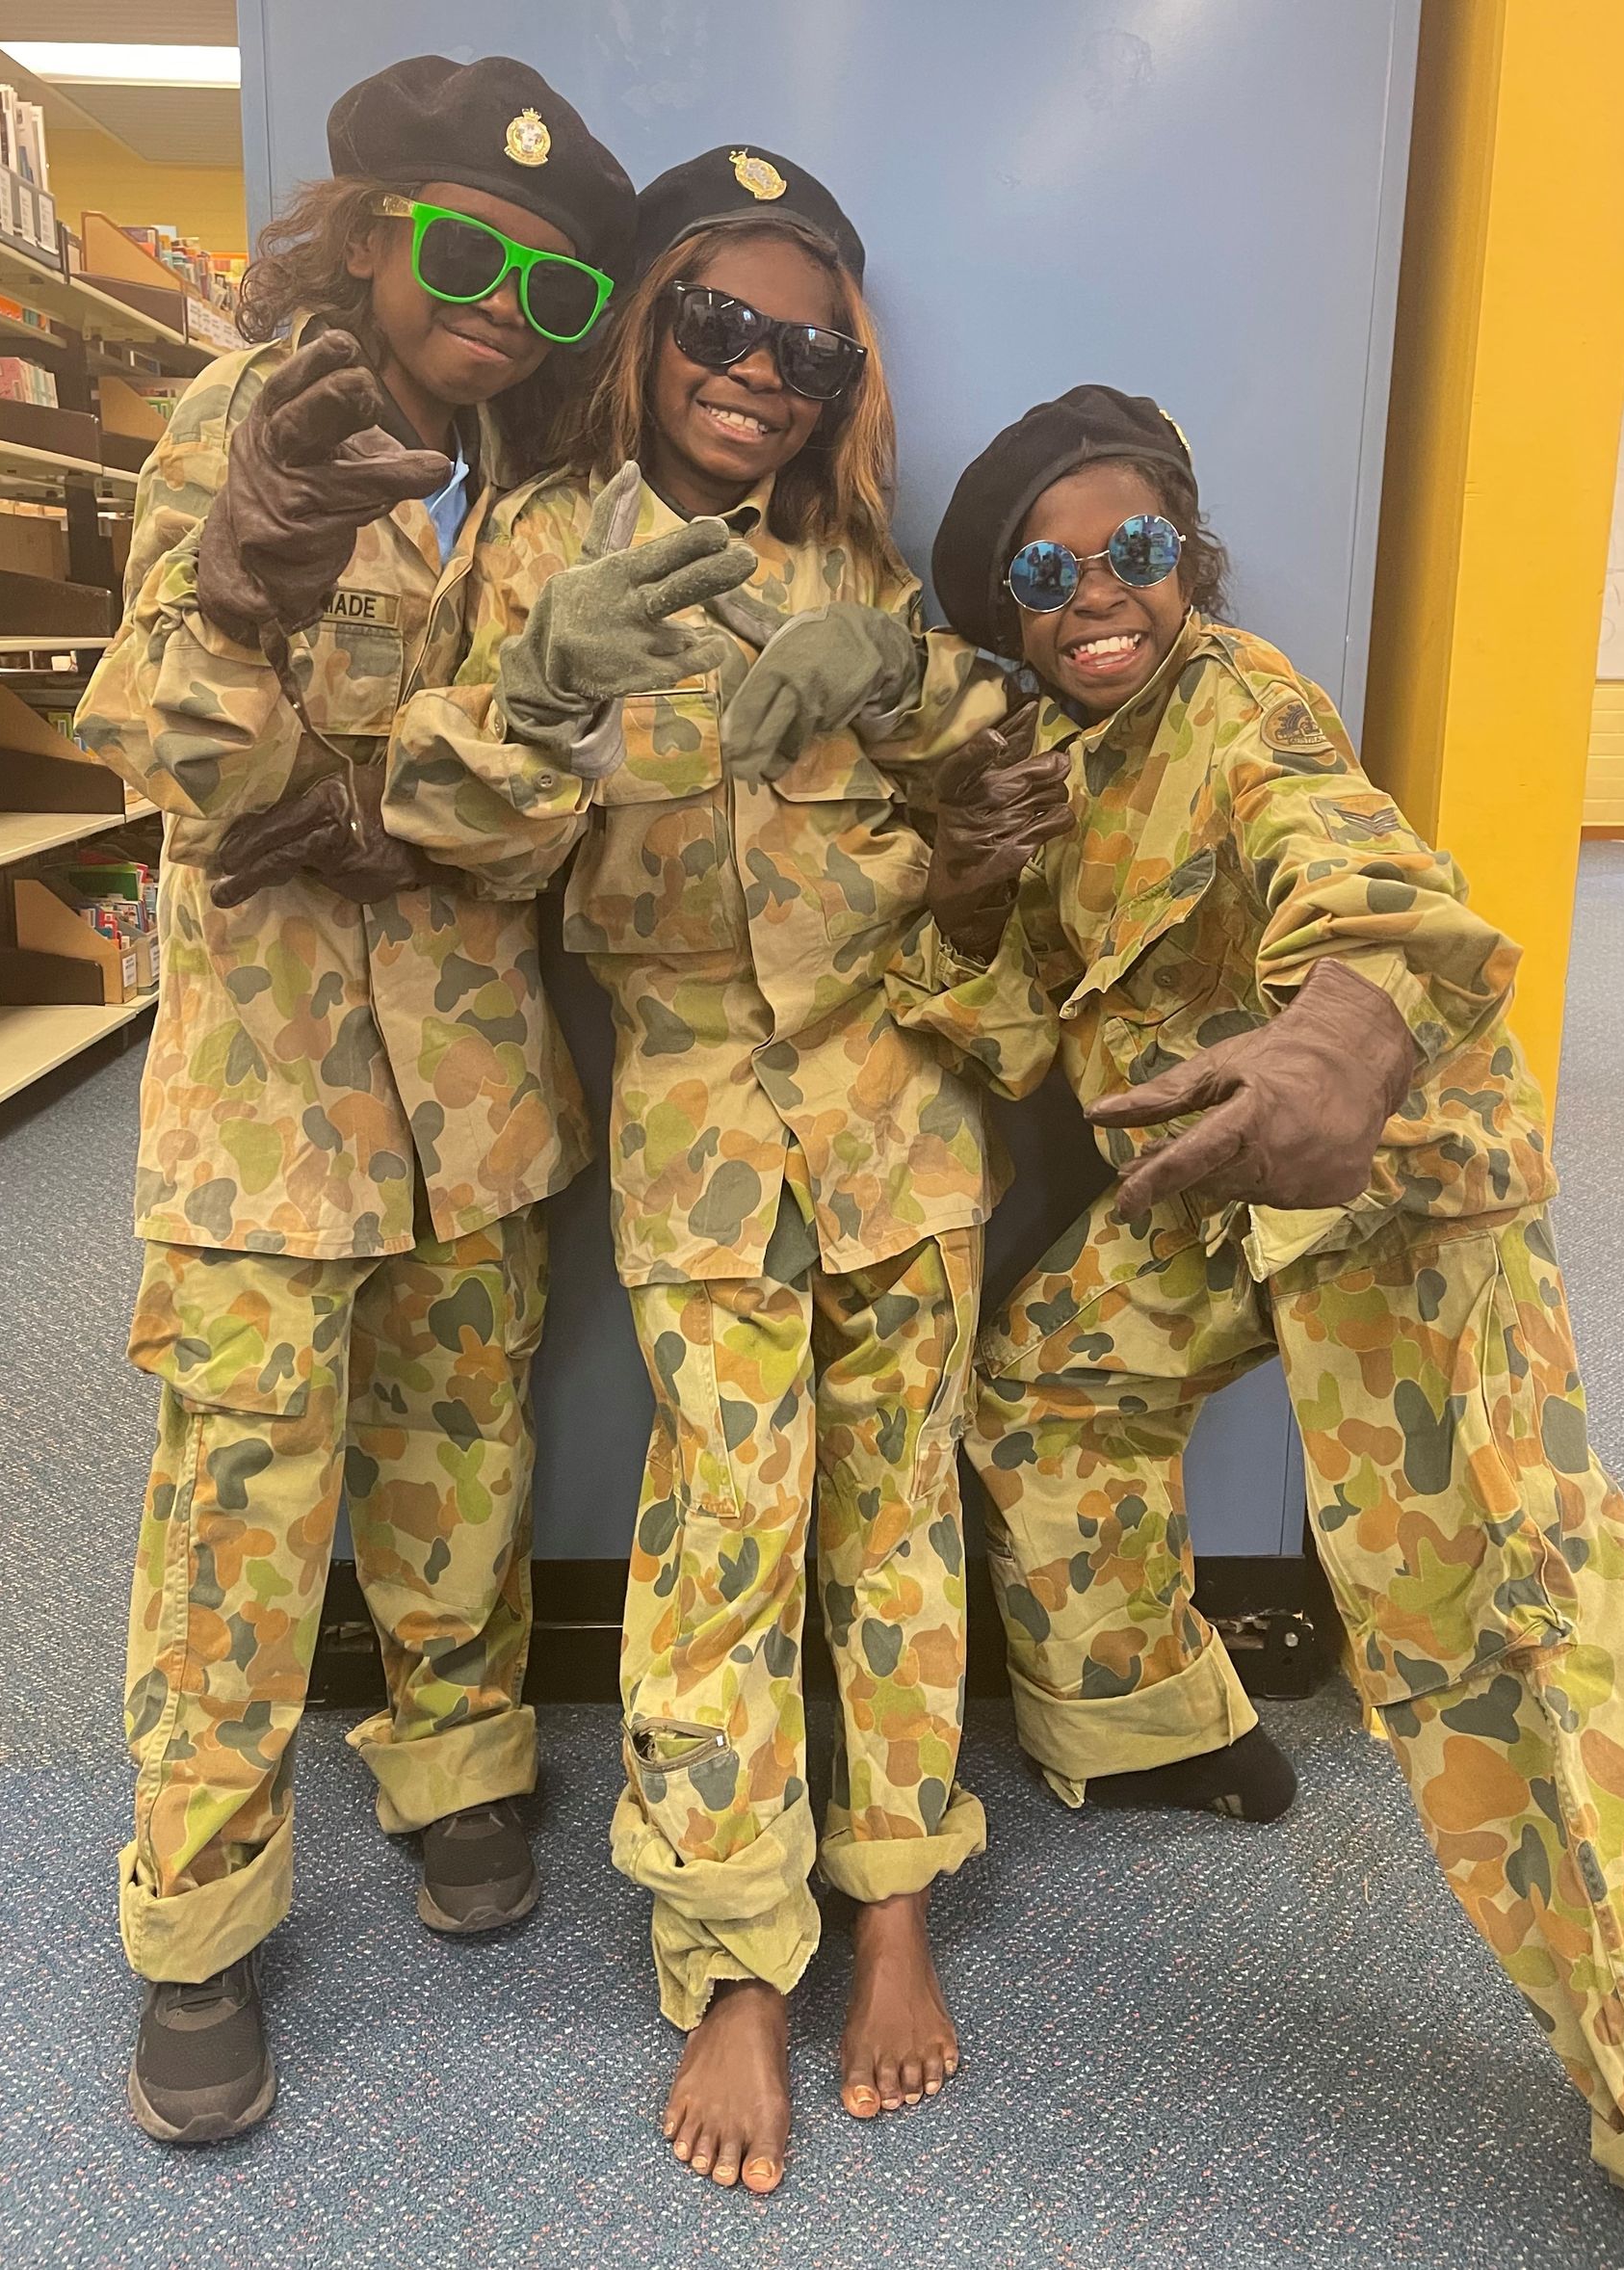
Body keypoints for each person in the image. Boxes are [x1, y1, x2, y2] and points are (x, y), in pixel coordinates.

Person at [883, 385, 1624, 2266]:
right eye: (1047, 573)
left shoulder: (1245, 699)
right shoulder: (1044, 767)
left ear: (1186, 559)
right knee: (1044, 1382)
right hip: (1205, 1191)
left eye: (1132, 551)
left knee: (1499, 1608)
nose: (1098, 594)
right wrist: (962, 888)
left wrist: (1341, 1032)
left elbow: (1358, 871)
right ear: (1013, 613)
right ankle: (1138, 1720)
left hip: (1378, 1171)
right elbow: (1015, 1028)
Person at [385, 145, 1007, 2195]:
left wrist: (915, 679)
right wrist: (540, 696)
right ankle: (738, 1950)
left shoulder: (856, 555)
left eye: (806, 348)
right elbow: (453, 848)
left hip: (900, 1115)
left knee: (898, 1517)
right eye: (721, 323)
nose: (760, 371)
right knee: (722, 1532)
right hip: (693, 1127)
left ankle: (896, 1900)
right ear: (651, 324)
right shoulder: (545, 540)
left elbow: (1016, 781)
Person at [71, 55, 635, 2144]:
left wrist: (388, 805)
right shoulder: (251, 423)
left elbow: (539, 817)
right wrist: (245, 590)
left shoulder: (555, 499)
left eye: (555, 287)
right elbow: (184, 770)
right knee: (237, 1510)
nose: (503, 301)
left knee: (459, 1438)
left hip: (479, 1089)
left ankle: (460, 1757)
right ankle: (197, 1924)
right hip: (267, 1101)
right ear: (378, 233)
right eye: (470, 248)